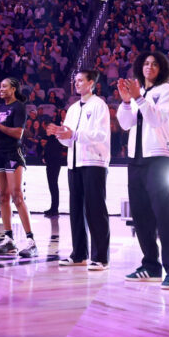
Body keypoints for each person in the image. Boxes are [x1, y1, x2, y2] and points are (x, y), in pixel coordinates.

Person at [116, 51, 169, 289]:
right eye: (145, 63)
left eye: (154, 64)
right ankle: (151, 266)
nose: (149, 67)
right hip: (136, 159)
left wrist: (139, 99)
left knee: (163, 214)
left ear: (161, 68)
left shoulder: (165, 91)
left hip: (158, 158)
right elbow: (125, 124)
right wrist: (126, 101)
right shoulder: (139, 94)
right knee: (141, 215)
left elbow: (157, 121)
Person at [48, 69, 111, 270]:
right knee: (75, 210)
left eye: (80, 80)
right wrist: (59, 134)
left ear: (91, 83)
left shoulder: (99, 105)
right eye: (75, 80)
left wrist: (73, 134)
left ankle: (101, 257)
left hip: (94, 161)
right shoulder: (73, 108)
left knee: (95, 210)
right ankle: (79, 254)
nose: (76, 83)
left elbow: (100, 135)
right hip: (74, 162)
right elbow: (69, 138)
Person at [0, 78, 38, 258]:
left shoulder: (19, 107)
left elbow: (18, 133)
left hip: (12, 154)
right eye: (0, 86)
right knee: (2, 197)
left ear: (13, 89)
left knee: (17, 196)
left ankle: (31, 241)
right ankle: (9, 239)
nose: (0, 89)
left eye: (4, 86)